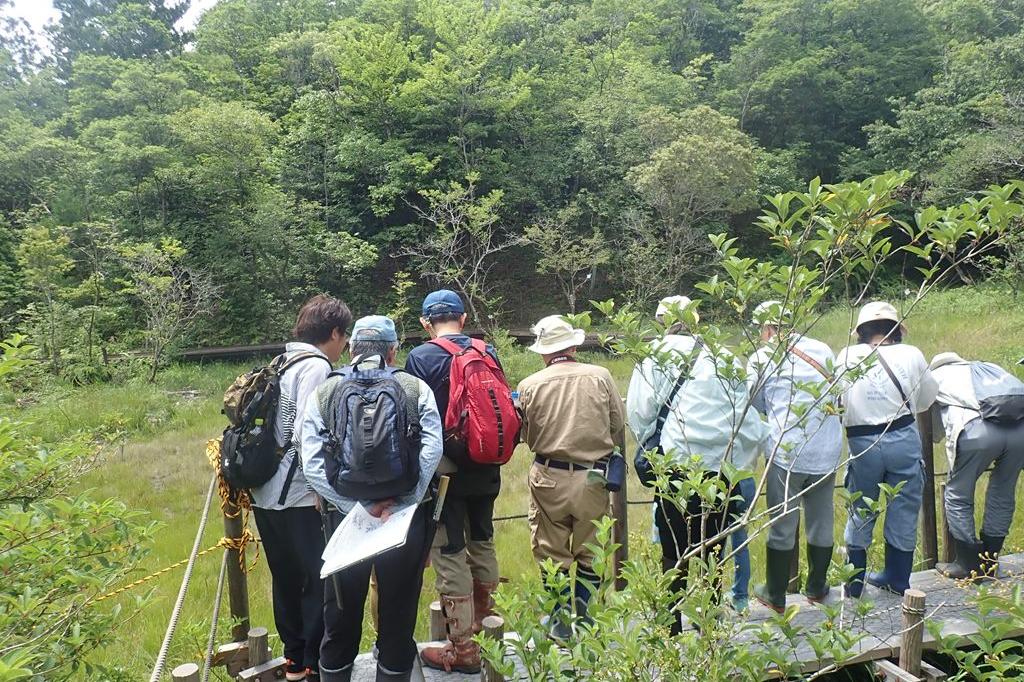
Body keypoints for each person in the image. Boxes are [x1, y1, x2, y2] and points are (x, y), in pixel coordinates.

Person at [300, 316, 444, 682]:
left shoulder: (326, 392)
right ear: (394, 350)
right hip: (404, 521)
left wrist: (358, 510)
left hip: (344, 523)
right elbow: (432, 450)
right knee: (398, 616)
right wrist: (403, 505)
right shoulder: (414, 388)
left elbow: (312, 464)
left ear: (351, 350)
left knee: (340, 615)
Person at [627, 296, 766, 634]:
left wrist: (654, 442)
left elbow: (639, 412)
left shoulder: (656, 354)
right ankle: (710, 625)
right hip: (722, 470)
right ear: (696, 320)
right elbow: (747, 416)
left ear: (663, 321)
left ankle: (670, 626)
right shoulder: (723, 355)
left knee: (673, 551)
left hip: (675, 468)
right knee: (713, 548)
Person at [250, 294, 351, 682]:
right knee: (317, 577)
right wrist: (319, 490)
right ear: (335, 332)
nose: (345, 344)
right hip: (297, 495)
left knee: (286, 577)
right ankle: (309, 662)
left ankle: (294, 658)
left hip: (265, 492)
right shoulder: (316, 368)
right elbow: (307, 436)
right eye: (345, 335)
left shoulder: (282, 360)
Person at [405, 290, 504, 673]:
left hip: (446, 473)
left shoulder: (423, 357)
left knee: (450, 552)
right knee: (483, 541)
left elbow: (415, 420)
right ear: (463, 319)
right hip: (487, 467)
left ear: (426, 323)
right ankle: (488, 633)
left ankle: (463, 651)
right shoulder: (487, 351)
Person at [517, 315, 626, 639]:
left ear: (543, 352)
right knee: (592, 551)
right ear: (575, 345)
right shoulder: (601, 376)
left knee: (551, 552)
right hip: (593, 477)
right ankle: (589, 625)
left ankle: (561, 626)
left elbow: (524, 434)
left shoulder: (529, 385)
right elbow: (618, 424)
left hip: (548, 477)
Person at [746, 300, 843, 613]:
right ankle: (816, 586)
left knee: (783, 522)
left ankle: (775, 592)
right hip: (826, 448)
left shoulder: (762, 357)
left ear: (768, 328)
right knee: (822, 518)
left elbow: (756, 403)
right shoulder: (823, 349)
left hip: (787, 450)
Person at [836, 301, 937, 598]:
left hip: (862, 440)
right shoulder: (912, 354)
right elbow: (927, 398)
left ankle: (854, 583)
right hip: (903, 434)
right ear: (896, 329)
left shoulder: (846, 355)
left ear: (862, 330)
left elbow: (838, 399)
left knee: (861, 508)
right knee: (904, 506)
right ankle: (897, 579)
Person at [930, 352, 1024, 579]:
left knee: (958, 493)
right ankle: (990, 561)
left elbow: (932, 431)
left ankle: (967, 564)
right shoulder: (987, 366)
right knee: (1003, 491)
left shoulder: (935, 376)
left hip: (978, 433)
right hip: (1020, 431)